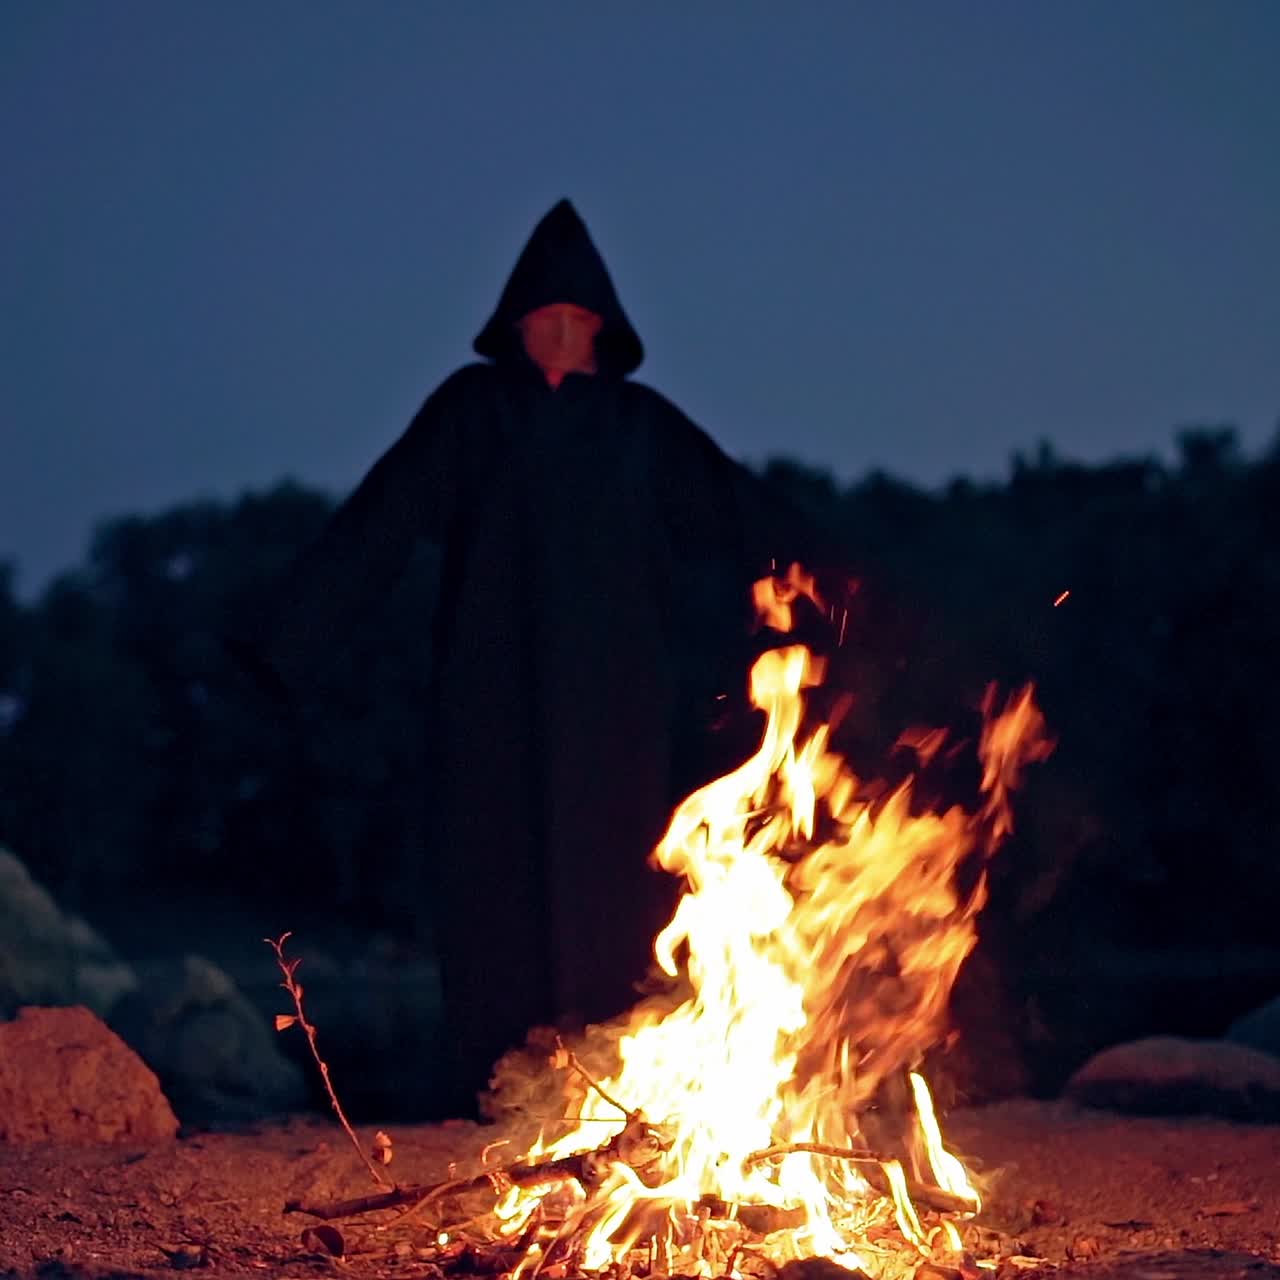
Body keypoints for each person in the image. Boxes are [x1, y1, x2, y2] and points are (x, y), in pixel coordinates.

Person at [251, 199, 822, 1115]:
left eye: (575, 321)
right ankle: (495, 1096)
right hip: (489, 698)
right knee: (491, 888)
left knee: (616, 892)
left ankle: (614, 1095)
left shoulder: (641, 427)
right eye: (543, 321)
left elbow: (738, 507)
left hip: (616, 705)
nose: (558, 336)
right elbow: (383, 521)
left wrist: (847, 583)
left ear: (603, 330)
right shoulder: (472, 413)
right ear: (516, 328)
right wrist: (286, 641)